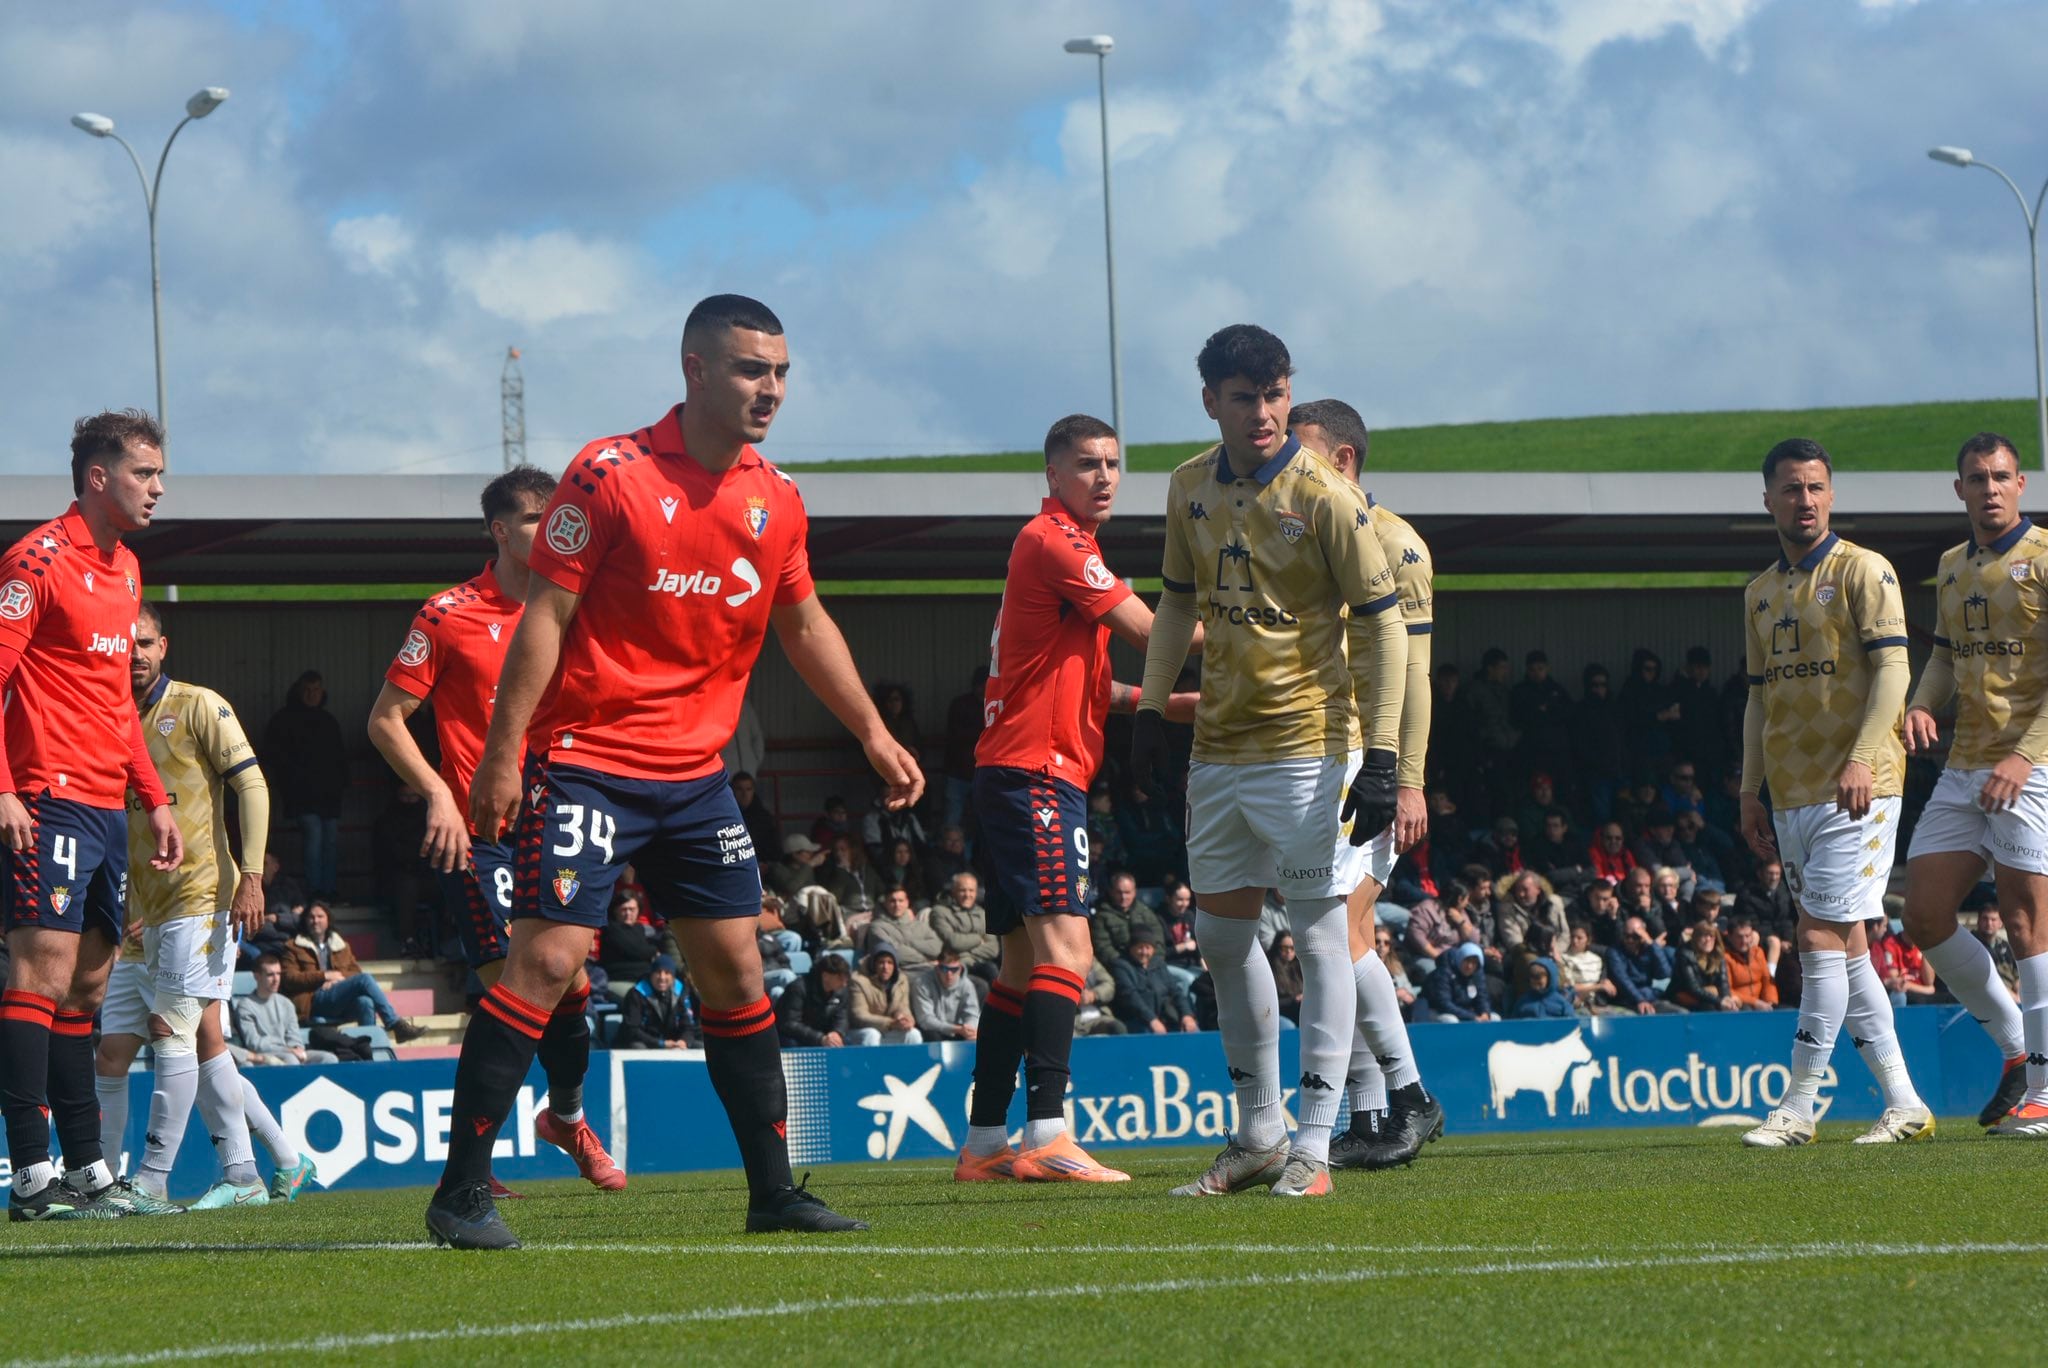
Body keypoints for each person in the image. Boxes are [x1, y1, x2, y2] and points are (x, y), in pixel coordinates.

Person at [430, 295, 918, 1247]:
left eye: (779, 372)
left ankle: (773, 1194)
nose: (769, 389)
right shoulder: (609, 475)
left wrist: (870, 732)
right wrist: (500, 755)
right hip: (587, 768)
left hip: (696, 780)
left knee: (738, 970)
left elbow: (805, 624)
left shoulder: (775, 497)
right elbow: (544, 617)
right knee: (547, 961)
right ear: (694, 369)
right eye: (748, 370)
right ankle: (460, 1192)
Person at [1134, 331, 1409, 1200]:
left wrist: (1386, 756)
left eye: (1275, 393)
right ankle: (1257, 1133)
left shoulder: (1325, 493)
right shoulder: (1186, 486)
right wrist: (1149, 707)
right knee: (1219, 935)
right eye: (1244, 396)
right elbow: (1176, 603)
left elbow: (1382, 623)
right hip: (1218, 747)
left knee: (1321, 935)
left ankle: (1315, 1146)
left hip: (1309, 745)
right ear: (1211, 400)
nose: (1263, 412)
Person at [959, 412, 1197, 1187]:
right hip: (1035, 775)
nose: (1104, 477)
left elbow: (1112, 689)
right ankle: (1050, 1133)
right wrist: (1257, 624)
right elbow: (1151, 631)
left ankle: (987, 1142)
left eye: (1114, 464)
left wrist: (1194, 704)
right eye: (1088, 463)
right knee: (1071, 952)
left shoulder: (1065, 554)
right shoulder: (1055, 541)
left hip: (1013, 772)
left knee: (1020, 966)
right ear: (1054, 474)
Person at [367, 465, 613, 1196]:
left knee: (569, 987)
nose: (554, 531)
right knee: (512, 984)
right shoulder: (448, 613)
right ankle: (472, 1162)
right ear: (501, 531)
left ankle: (564, 1116)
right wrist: (439, 792)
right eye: (538, 519)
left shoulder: (579, 606)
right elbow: (385, 720)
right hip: (481, 831)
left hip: (562, 815)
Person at [1, 409, 184, 1220]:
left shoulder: (129, 569)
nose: (158, 488)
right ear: (98, 476)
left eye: (159, 473)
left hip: (109, 806)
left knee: (86, 990)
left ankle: (85, 1170)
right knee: (38, 976)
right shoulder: (34, 560)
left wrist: (154, 797)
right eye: (145, 473)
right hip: (45, 794)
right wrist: (3, 789)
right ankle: (31, 1172)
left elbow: (116, 700)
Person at [1737, 437, 1933, 1147]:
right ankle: (1905, 1102)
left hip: (1861, 786)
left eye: (1817, 487)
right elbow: (1759, 702)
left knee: (1815, 933)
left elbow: (1892, 677)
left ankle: (1799, 1106)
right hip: (1789, 792)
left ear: (1831, 493)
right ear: (1769, 500)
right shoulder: (1759, 594)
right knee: (1846, 946)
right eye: (1792, 488)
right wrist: (1750, 789)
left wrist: (1858, 758)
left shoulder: (1864, 571)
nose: (1806, 500)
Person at [92, 601, 314, 1213]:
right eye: (124, 643)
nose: (134, 654)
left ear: (164, 646)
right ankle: (276, 1162)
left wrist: (251, 875)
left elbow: (253, 783)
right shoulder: (108, 716)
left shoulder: (197, 705)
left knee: (174, 1031)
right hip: (142, 913)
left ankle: (152, 1182)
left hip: (201, 897)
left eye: (145, 642)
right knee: (131, 1046)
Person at [1900, 431, 2048, 1134]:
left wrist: (2024, 757)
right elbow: (1947, 658)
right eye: (1975, 478)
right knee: (1923, 914)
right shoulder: (1951, 566)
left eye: (2000, 477)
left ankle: (2046, 1090)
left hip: (2034, 765)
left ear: (2021, 484)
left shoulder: (2046, 560)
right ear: (1957, 490)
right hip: (1965, 767)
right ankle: (2019, 1050)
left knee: (2026, 923)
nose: (1989, 488)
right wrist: (1923, 703)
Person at [261, 671, 346, 902]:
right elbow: (273, 755)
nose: (312, 695)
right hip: (301, 796)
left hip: (329, 796)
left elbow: (339, 758)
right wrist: (290, 782)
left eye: (316, 689)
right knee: (315, 836)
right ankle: (315, 891)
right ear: (299, 691)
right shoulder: (284, 720)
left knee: (330, 840)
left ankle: (328, 891)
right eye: (307, 690)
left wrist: (340, 786)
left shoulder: (329, 721)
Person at [231, 954, 339, 1066]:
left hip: (290, 1052)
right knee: (291, 1060)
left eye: (278, 974)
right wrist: (287, 1050)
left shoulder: (286, 1003)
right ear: (257, 976)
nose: (276, 979)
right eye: (270, 975)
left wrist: (296, 1048)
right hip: (265, 1055)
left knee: (329, 1059)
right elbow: (254, 1043)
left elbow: (294, 1035)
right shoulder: (246, 1006)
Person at [1109, 932, 1199, 1034]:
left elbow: (1175, 991)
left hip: (1164, 1018)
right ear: (1131, 948)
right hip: (1136, 1020)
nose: (1144, 952)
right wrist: (1152, 1020)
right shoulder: (1121, 966)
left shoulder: (1158, 964)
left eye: (1148, 948)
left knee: (1193, 1030)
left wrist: (1187, 1015)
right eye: (1140, 947)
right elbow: (1130, 997)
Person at [928, 872, 999, 979]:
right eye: (962, 890)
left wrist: (965, 955)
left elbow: (993, 948)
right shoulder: (940, 911)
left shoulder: (982, 913)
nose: (967, 895)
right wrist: (978, 939)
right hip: (950, 967)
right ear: (953, 891)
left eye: (971, 891)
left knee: (994, 970)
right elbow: (953, 942)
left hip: (977, 962)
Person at [617, 956, 698, 1049]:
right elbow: (631, 1030)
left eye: (667, 973)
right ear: (651, 974)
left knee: (699, 1046)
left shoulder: (682, 992)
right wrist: (661, 1043)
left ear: (673, 976)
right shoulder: (636, 994)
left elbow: (688, 1026)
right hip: (646, 1043)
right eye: (658, 972)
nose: (662, 977)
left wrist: (684, 1041)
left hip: (673, 1044)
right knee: (638, 1047)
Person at [855, 884, 942, 970]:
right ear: (885, 903)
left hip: (930, 971)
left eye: (901, 901)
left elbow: (937, 948)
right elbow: (894, 953)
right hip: (901, 973)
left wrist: (909, 943)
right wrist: (925, 960)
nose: (897, 905)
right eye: (892, 901)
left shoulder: (919, 925)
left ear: (907, 903)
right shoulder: (877, 927)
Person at [775, 954, 854, 1048]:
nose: (844, 984)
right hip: (794, 1037)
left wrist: (836, 1033)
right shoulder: (798, 988)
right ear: (825, 976)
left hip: (823, 1036)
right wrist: (820, 1038)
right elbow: (790, 1023)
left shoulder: (841, 991)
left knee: (845, 1043)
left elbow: (842, 1017)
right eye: (840, 978)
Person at [1604, 916, 1678, 1015]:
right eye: (1627, 936)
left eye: (1635, 936)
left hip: (1649, 997)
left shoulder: (1650, 950)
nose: (1630, 940)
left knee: (1680, 1013)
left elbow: (1665, 974)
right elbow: (1623, 980)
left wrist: (1652, 945)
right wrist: (1640, 1000)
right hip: (1626, 1000)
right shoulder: (1614, 952)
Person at [849, 945, 922, 1045]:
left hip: (889, 1030)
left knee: (913, 1034)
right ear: (873, 964)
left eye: (890, 963)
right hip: (860, 1032)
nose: (885, 967)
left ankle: (911, 1061)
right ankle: (871, 1061)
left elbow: (903, 1007)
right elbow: (859, 1016)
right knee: (872, 1034)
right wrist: (891, 1023)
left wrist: (904, 1019)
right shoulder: (857, 980)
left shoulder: (901, 980)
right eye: (881, 962)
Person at [910, 951, 980, 1042]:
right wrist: (955, 1029)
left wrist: (969, 1028)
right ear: (938, 969)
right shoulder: (922, 984)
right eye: (944, 969)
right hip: (933, 1030)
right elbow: (925, 1020)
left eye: (954, 970)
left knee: (973, 1036)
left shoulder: (967, 985)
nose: (949, 974)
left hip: (959, 1030)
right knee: (931, 1035)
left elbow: (972, 1014)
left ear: (960, 969)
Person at [1671, 921, 1736, 1012]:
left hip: (1709, 996)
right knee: (1710, 1007)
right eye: (1704, 936)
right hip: (1686, 997)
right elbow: (1693, 988)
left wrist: (1727, 998)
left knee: (1737, 1007)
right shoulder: (1685, 955)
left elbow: (1723, 982)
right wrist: (1719, 1001)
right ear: (1696, 938)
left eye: (1711, 936)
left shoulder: (1718, 954)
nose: (1708, 939)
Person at [1424, 943, 1493, 1022]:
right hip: (1437, 1011)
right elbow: (1443, 1003)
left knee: (1494, 1018)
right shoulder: (1444, 973)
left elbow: (1482, 997)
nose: (1469, 966)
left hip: (1465, 1012)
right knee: (1451, 1021)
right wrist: (1471, 1016)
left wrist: (1485, 1012)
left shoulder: (1477, 975)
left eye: (1474, 963)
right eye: (1467, 961)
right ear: (1460, 958)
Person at [1725, 917, 1779, 1010]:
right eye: (1739, 937)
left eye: (1747, 936)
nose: (1744, 941)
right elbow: (1727, 990)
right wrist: (1755, 1002)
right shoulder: (1725, 957)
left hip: (1761, 1003)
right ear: (1730, 937)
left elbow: (1767, 981)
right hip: (1741, 1004)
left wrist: (1771, 1002)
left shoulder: (1758, 952)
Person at [1269, 932, 1305, 1024]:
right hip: (1280, 1014)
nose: (1289, 951)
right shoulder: (1270, 969)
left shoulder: (1300, 967)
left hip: (1299, 1010)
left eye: (1293, 948)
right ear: (1277, 948)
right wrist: (1294, 1000)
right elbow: (1269, 1004)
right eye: (1285, 948)